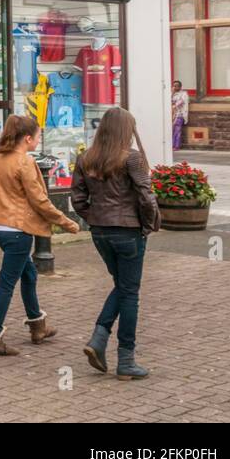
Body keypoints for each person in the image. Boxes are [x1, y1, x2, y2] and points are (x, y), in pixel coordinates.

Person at [0, 114, 80, 356]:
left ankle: (38, 325)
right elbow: (39, 200)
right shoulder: (24, 162)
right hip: (17, 231)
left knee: (28, 274)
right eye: (38, 137)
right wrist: (66, 222)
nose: (38, 141)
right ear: (27, 138)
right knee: (6, 284)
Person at [71, 107, 161, 380]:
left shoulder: (86, 157)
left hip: (100, 232)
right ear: (126, 130)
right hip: (128, 232)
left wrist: (95, 218)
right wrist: (149, 224)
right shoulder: (132, 158)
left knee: (122, 286)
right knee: (130, 292)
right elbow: (146, 196)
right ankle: (126, 360)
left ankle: (99, 339)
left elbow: (77, 198)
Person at [171, 80, 189, 152]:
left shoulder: (183, 94)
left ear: (180, 87)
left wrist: (174, 105)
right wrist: (172, 93)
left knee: (177, 130)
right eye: (174, 86)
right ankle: (171, 145)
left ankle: (176, 146)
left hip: (179, 114)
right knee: (171, 131)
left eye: (177, 86)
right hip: (172, 115)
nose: (175, 87)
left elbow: (181, 102)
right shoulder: (172, 94)